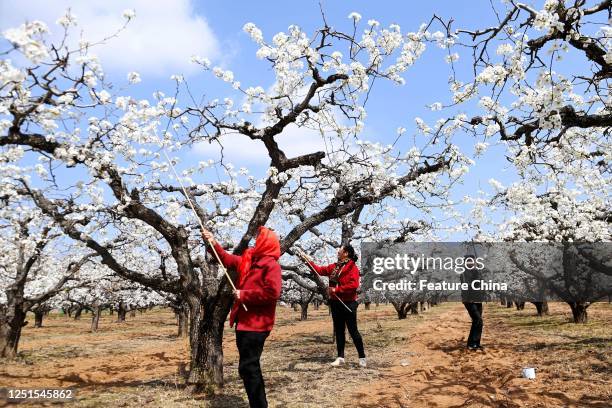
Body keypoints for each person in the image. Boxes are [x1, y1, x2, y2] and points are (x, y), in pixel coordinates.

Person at [202, 226, 281, 408]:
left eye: (259, 239)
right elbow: (226, 259)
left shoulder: (271, 265)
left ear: (266, 243)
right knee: (248, 367)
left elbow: (272, 293)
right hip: (244, 323)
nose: (255, 242)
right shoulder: (249, 260)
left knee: (248, 367)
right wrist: (212, 242)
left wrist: (244, 295)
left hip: (257, 325)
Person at [304, 244, 366, 367]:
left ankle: (362, 357)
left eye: (340, 250)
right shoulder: (334, 267)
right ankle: (340, 357)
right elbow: (320, 270)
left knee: (353, 331)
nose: (338, 252)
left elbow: (353, 285)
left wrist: (336, 290)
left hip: (348, 303)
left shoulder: (352, 267)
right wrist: (307, 261)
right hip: (336, 303)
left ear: (346, 253)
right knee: (339, 330)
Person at [460, 254, 485, 351]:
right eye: (469, 261)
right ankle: (471, 344)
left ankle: (476, 343)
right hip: (469, 300)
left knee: (478, 322)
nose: (471, 263)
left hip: (478, 299)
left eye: (473, 261)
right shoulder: (464, 273)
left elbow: (481, 284)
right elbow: (469, 284)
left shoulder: (477, 271)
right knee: (478, 320)